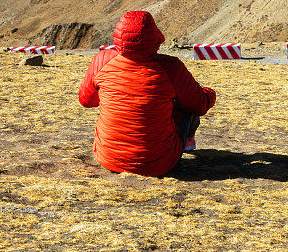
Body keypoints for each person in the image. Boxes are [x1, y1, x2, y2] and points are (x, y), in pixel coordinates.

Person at [78, 10, 216, 176]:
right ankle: (185, 142)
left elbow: (86, 101)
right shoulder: (170, 67)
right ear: (154, 35)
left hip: (109, 158)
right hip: (159, 163)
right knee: (187, 106)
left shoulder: (102, 60)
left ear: (119, 35)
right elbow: (199, 104)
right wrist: (209, 93)